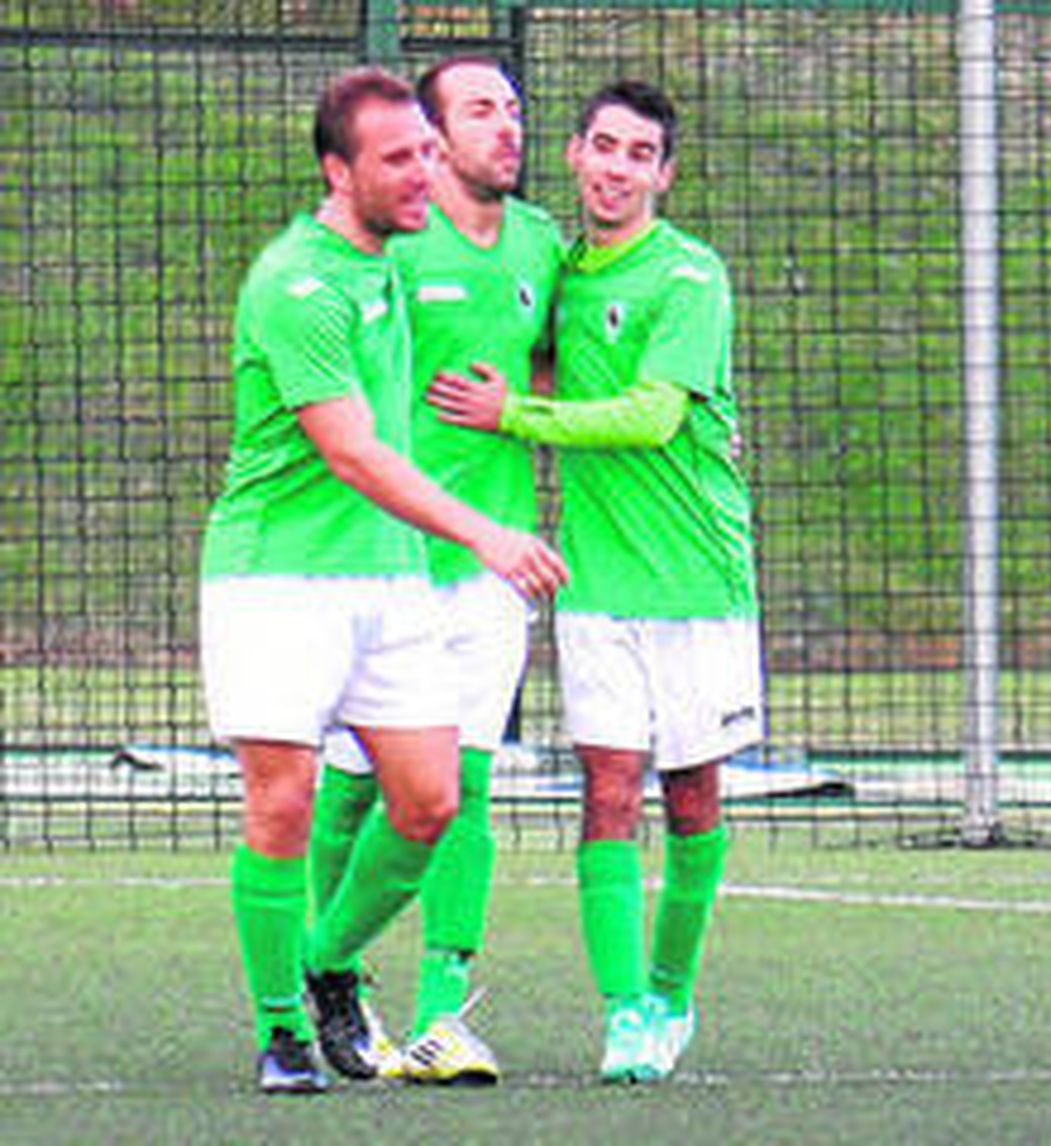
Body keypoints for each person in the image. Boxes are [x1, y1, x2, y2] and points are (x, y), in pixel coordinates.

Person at [200, 67, 566, 1096]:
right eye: (401, 158)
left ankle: (321, 962)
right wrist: (488, 534)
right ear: (337, 170)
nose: (425, 173)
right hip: (277, 582)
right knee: (285, 801)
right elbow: (354, 453)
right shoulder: (297, 282)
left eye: (427, 153)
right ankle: (282, 1031)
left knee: (429, 801)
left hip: (389, 582)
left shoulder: (390, 267)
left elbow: (514, 325)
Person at [427, 79, 759, 1084]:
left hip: (699, 583)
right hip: (596, 586)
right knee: (607, 795)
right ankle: (623, 1016)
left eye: (637, 154)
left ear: (662, 174)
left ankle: (670, 993)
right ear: (575, 157)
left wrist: (516, 419)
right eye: (601, 147)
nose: (615, 167)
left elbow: (654, 413)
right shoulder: (556, 270)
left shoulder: (691, 276)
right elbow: (511, 346)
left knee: (693, 800)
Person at [307, 55, 566, 1087]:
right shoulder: (385, 249)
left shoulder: (545, 242)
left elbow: (556, 361)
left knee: (462, 782)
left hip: (495, 564)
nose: (506, 128)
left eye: (512, 109)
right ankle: (321, 981)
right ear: (429, 133)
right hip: (378, 559)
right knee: (351, 786)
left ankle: (441, 1017)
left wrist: (529, 402)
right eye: (480, 111)